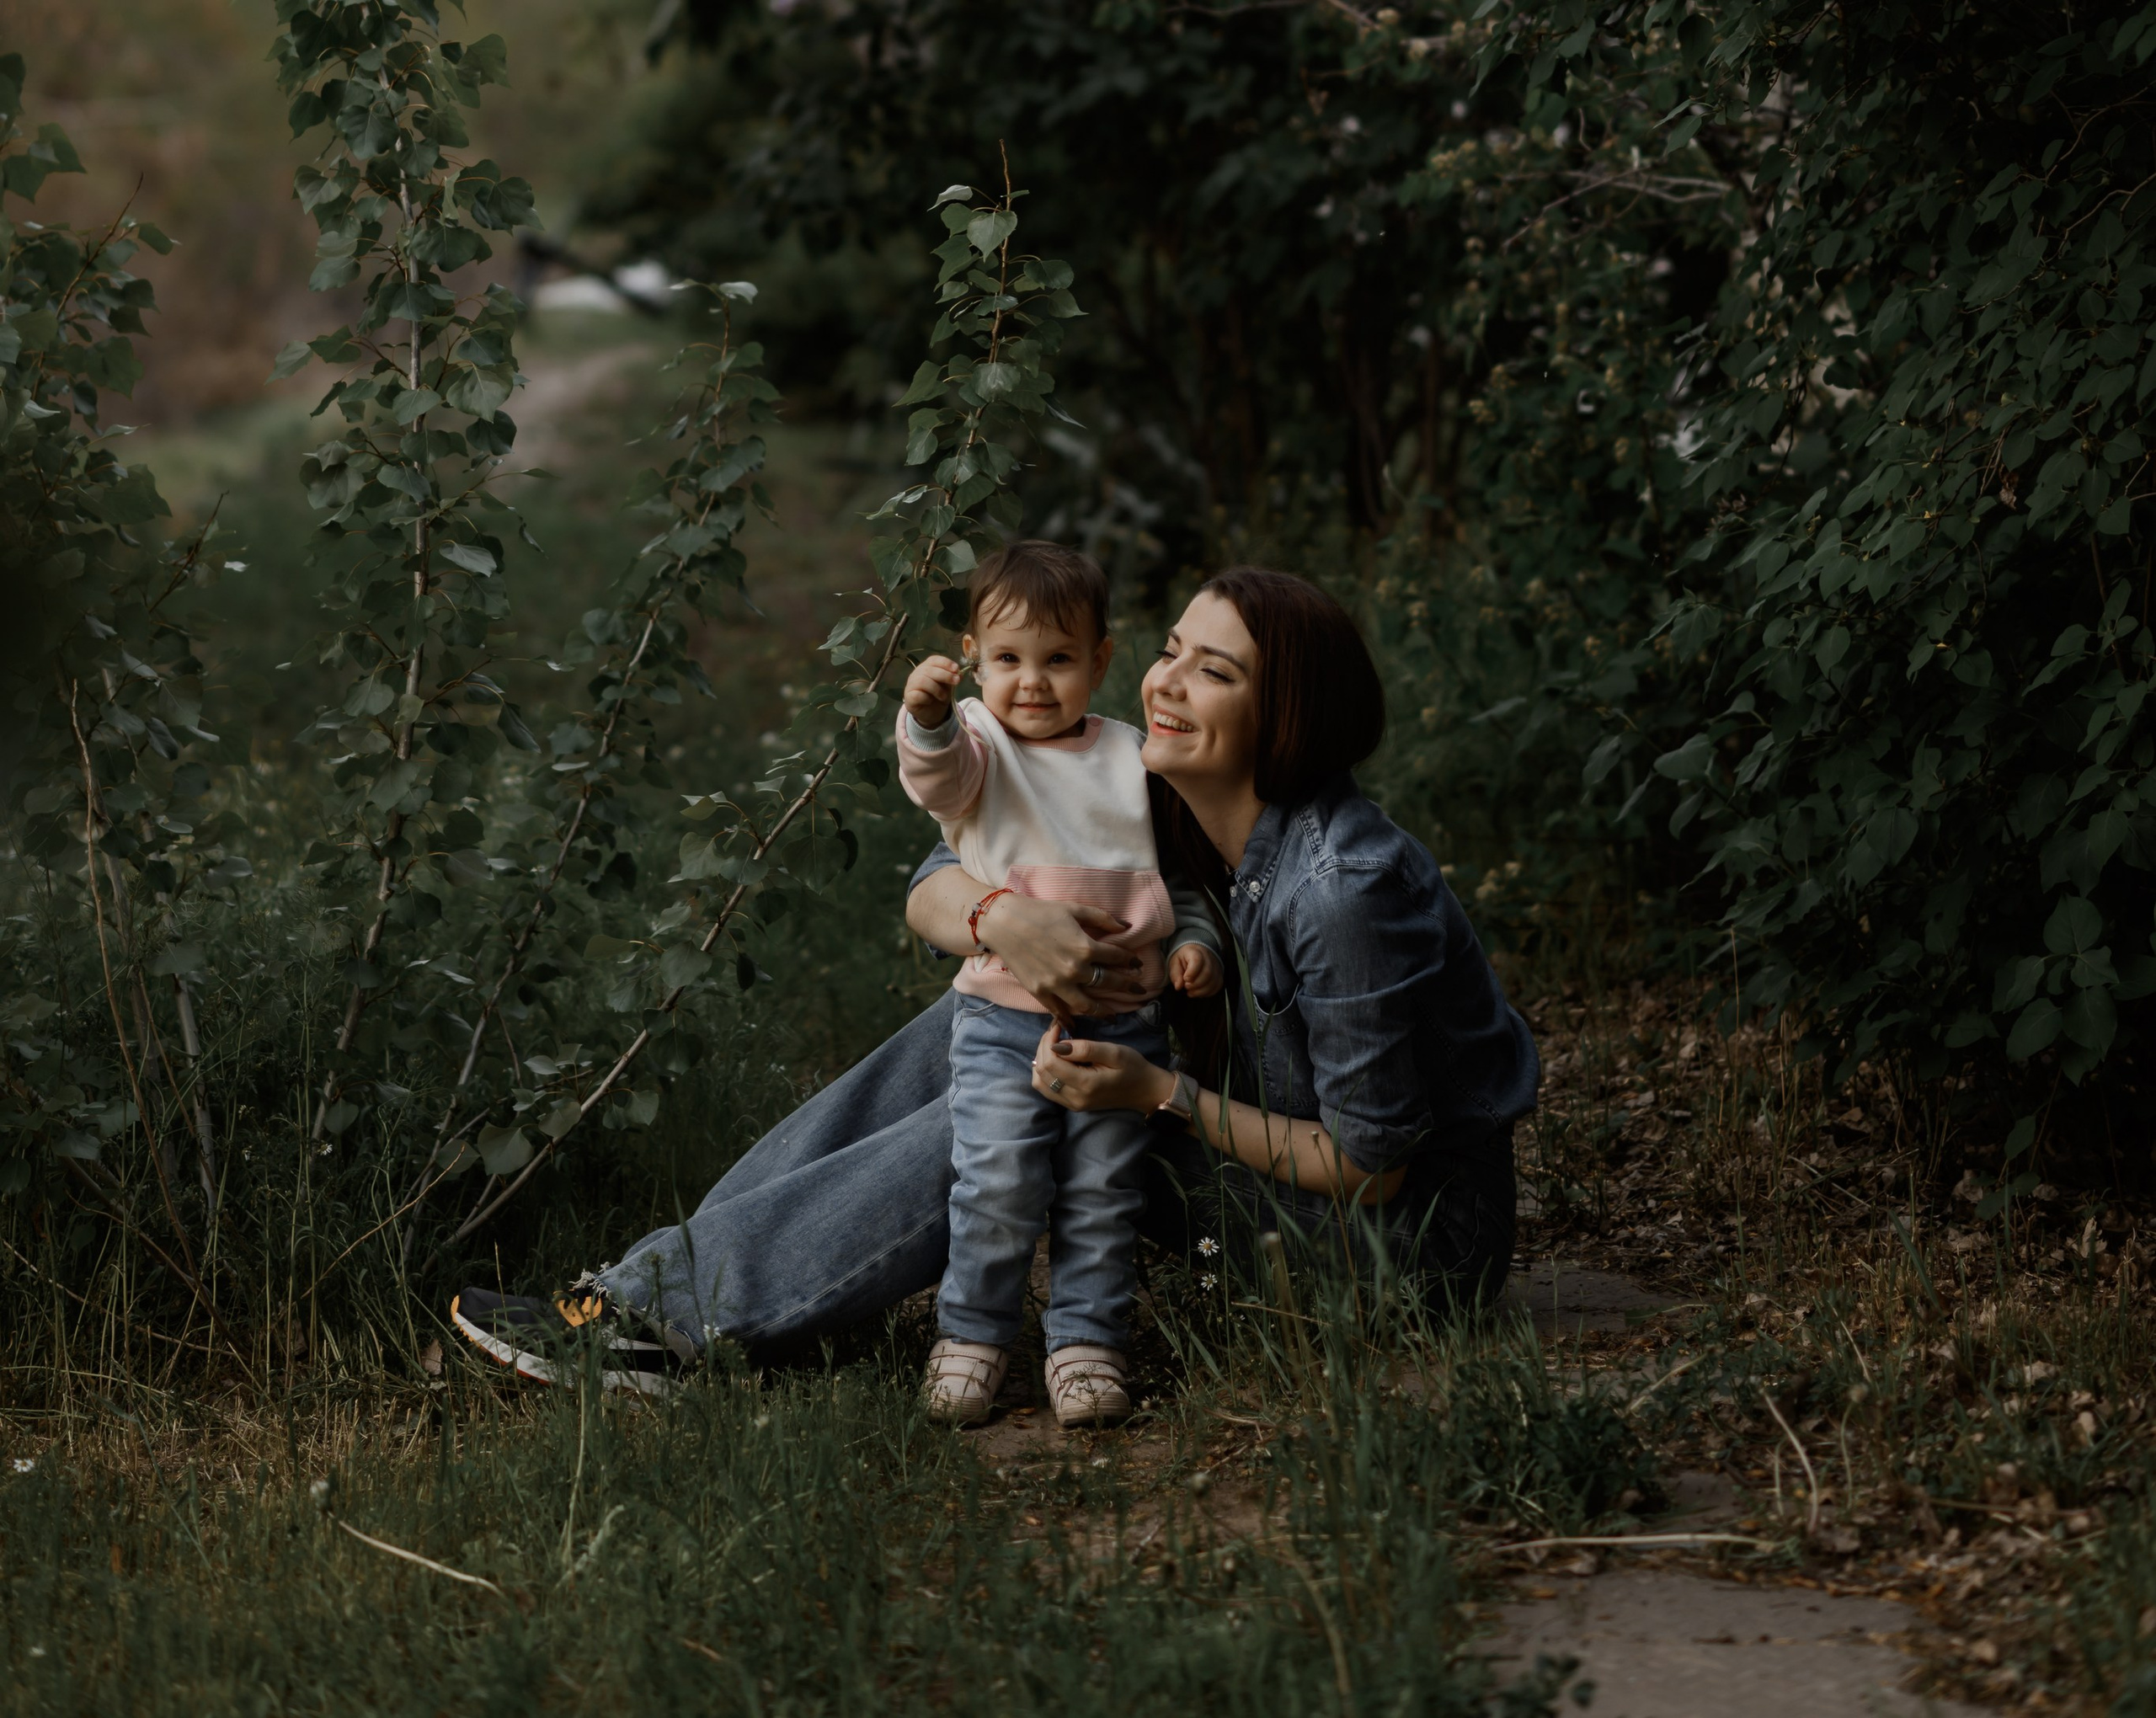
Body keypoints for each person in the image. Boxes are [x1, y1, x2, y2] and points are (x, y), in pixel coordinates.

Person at [445, 566, 1536, 1401]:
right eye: (1172, 649)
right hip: (1284, 1138)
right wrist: (1002, 918)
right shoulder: (1191, 804)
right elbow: (938, 876)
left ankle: (680, 1322)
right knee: (983, 1018)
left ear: (1286, 713)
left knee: (1012, 1085)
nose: (1164, 680)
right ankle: (671, 1287)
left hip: (1396, 1249)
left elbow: (1376, 1166)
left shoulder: (1344, 889)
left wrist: (1154, 1096)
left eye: (1218, 670)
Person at [894, 540, 1222, 1429]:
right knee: (996, 1181)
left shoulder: (1132, 763)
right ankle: (972, 1336)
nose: (1031, 683)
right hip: (1003, 1022)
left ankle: (1085, 1345)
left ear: (1101, 661)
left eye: (1058, 659)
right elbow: (937, 779)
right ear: (973, 657)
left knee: (1104, 1190)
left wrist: (1195, 943)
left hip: (1126, 1025)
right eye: (1006, 660)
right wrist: (926, 718)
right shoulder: (980, 747)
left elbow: (1180, 879)